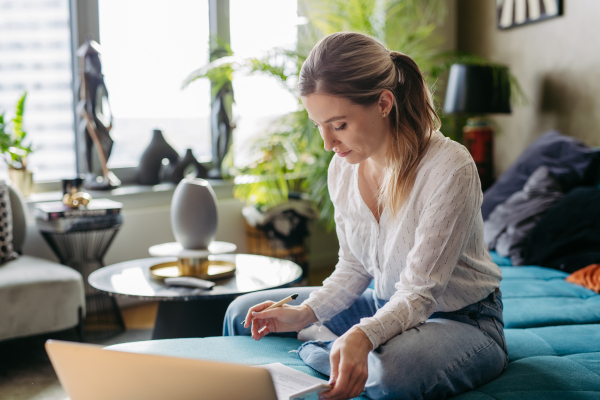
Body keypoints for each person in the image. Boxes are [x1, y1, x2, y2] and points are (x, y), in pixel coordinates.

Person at [223, 32, 507, 400]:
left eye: (339, 125)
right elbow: (355, 267)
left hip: (463, 320)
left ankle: (322, 350)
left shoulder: (449, 167)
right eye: (319, 126)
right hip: (385, 304)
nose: (328, 143)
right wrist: (306, 313)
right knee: (242, 313)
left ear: (384, 103)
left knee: (391, 373)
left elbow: (420, 293)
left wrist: (363, 335)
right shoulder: (342, 168)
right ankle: (326, 345)